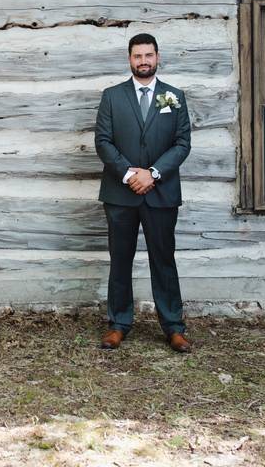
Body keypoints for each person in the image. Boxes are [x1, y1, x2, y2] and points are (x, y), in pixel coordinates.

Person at [94, 34, 192, 353]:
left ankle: (173, 327)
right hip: (121, 194)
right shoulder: (112, 96)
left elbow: (182, 143)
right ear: (129, 59)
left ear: (158, 57)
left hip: (161, 193)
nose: (144, 61)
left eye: (149, 55)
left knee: (163, 260)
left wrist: (153, 173)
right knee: (120, 260)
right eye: (138, 56)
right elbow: (103, 142)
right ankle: (118, 324)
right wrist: (129, 173)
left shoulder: (174, 97)